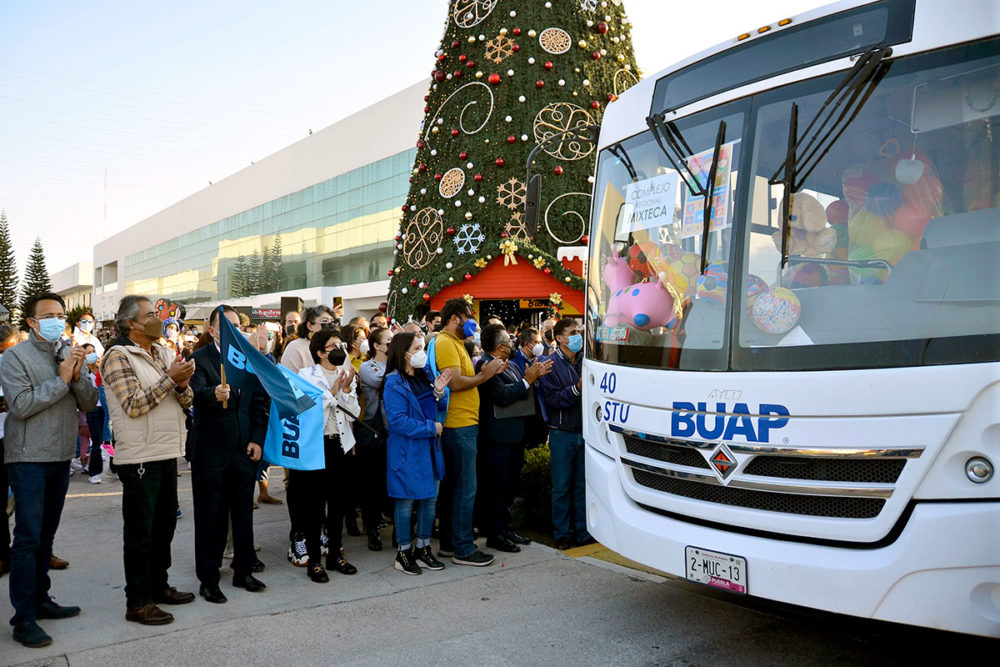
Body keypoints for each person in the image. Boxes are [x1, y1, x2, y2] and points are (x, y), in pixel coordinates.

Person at [0, 293, 97, 648]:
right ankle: (22, 617)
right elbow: (21, 405)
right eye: (49, 315)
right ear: (32, 322)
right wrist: (61, 379)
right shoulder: (14, 357)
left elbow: (89, 402)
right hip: (27, 458)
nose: (57, 320)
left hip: (60, 457)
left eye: (61, 315)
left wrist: (76, 373)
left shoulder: (69, 352)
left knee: (46, 534)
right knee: (28, 536)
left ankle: (41, 599)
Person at [101, 295, 197, 626]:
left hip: (167, 450)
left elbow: (186, 399)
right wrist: (171, 379)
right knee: (141, 531)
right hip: (140, 454)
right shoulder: (117, 355)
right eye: (150, 315)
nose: (157, 318)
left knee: (164, 526)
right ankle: (138, 601)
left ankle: (158, 585)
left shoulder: (161, 352)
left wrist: (182, 382)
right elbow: (133, 405)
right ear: (130, 324)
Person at [188, 306, 269, 604]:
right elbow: (192, 392)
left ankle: (243, 570)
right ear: (212, 331)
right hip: (210, 451)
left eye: (237, 325)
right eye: (226, 325)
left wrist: (257, 440)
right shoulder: (199, 358)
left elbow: (258, 402)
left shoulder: (249, 359)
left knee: (243, 514)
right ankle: (209, 578)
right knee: (211, 517)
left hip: (243, 450)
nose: (233, 330)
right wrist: (212, 394)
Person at [432, 298, 504, 567]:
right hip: (458, 426)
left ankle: (451, 544)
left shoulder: (456, 343)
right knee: (465, 489)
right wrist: (485, 376)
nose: (472, 321)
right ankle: (464, 549)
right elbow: (457, 382)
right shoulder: (445, 343)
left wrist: (484, 371)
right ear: (454, 318)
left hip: (463, 425)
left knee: (456, 488)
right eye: (468, 316)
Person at [290, 328, 360, 582]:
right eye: (332, 346)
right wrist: (334, 389)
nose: (339, 349)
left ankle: (335, 555)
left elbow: (353, 411)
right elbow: (308, 412)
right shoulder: (305, 375)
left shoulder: (346, 373)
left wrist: (348, 390)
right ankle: (315, 561)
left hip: (340, 444)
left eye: (340, 344)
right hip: (316, 446)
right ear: (320, 353)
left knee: (338, 503)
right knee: (314, 506)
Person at [474, 325, 551, 553]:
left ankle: (505, 528)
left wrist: (533, 378)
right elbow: (502, 395)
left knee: (509, 486)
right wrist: (526, 382)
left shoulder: (514, 365)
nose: (512, 343)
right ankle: (495, 534)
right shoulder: (486, 365)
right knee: (496, 488)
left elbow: (522, 389)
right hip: (496, 437)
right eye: (508, 340)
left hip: (515, 435)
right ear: (499, 346)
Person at [381, 332, 451, 575]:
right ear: (404, 353)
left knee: (430, 500)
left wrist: (440, 392)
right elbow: (398, 422)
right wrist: (431, 428)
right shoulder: (393, 382)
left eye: (423, 346)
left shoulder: (426, 375)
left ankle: (422, 548)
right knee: (406, 501)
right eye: (418, 347)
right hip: (408, 452)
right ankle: (403, 551)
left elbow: (440, 406)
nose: (423, 352)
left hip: (431, 450)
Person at [536, 319, 592, 550]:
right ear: (559, 338)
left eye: (578, 332)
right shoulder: (548, 364)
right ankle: (562, 534)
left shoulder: (585, 362)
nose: (577, 336)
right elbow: (552, 400)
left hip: (584, 433)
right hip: (562, 434)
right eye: (572, 333)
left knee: (582, 486)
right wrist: (577, 389)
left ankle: (582, 531)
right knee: (561, 487)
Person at [357, 326, 391, 551]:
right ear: (376, 346)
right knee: (372, 483)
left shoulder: (396, 365)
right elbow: (386, 384)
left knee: (390, 481)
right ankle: (372, 528)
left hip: (394, 430)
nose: (392, 345)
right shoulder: (367, 367)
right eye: (388, 342)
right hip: (373, 430)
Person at [0, 323, 20, 580]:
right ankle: (4, 554)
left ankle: (38, 552)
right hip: (2, 438)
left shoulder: (20, 363)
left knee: (30, 499)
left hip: (20, 438)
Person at [79, 344, 108, 484]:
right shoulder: (82, 372)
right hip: (93, 409)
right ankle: (94, 472)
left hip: (107, 408)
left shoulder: (102, 368)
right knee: (97, 441)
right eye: (88, 352)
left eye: (93, 351)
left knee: (111, 441)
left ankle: (115, 469)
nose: (92, 354)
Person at [280, 306, 335, 374]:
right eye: (325, 321)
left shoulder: (337, 346)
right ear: (310, 326)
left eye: (332, 322)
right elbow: (290, 379)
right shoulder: (295, 347)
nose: (330, 326)